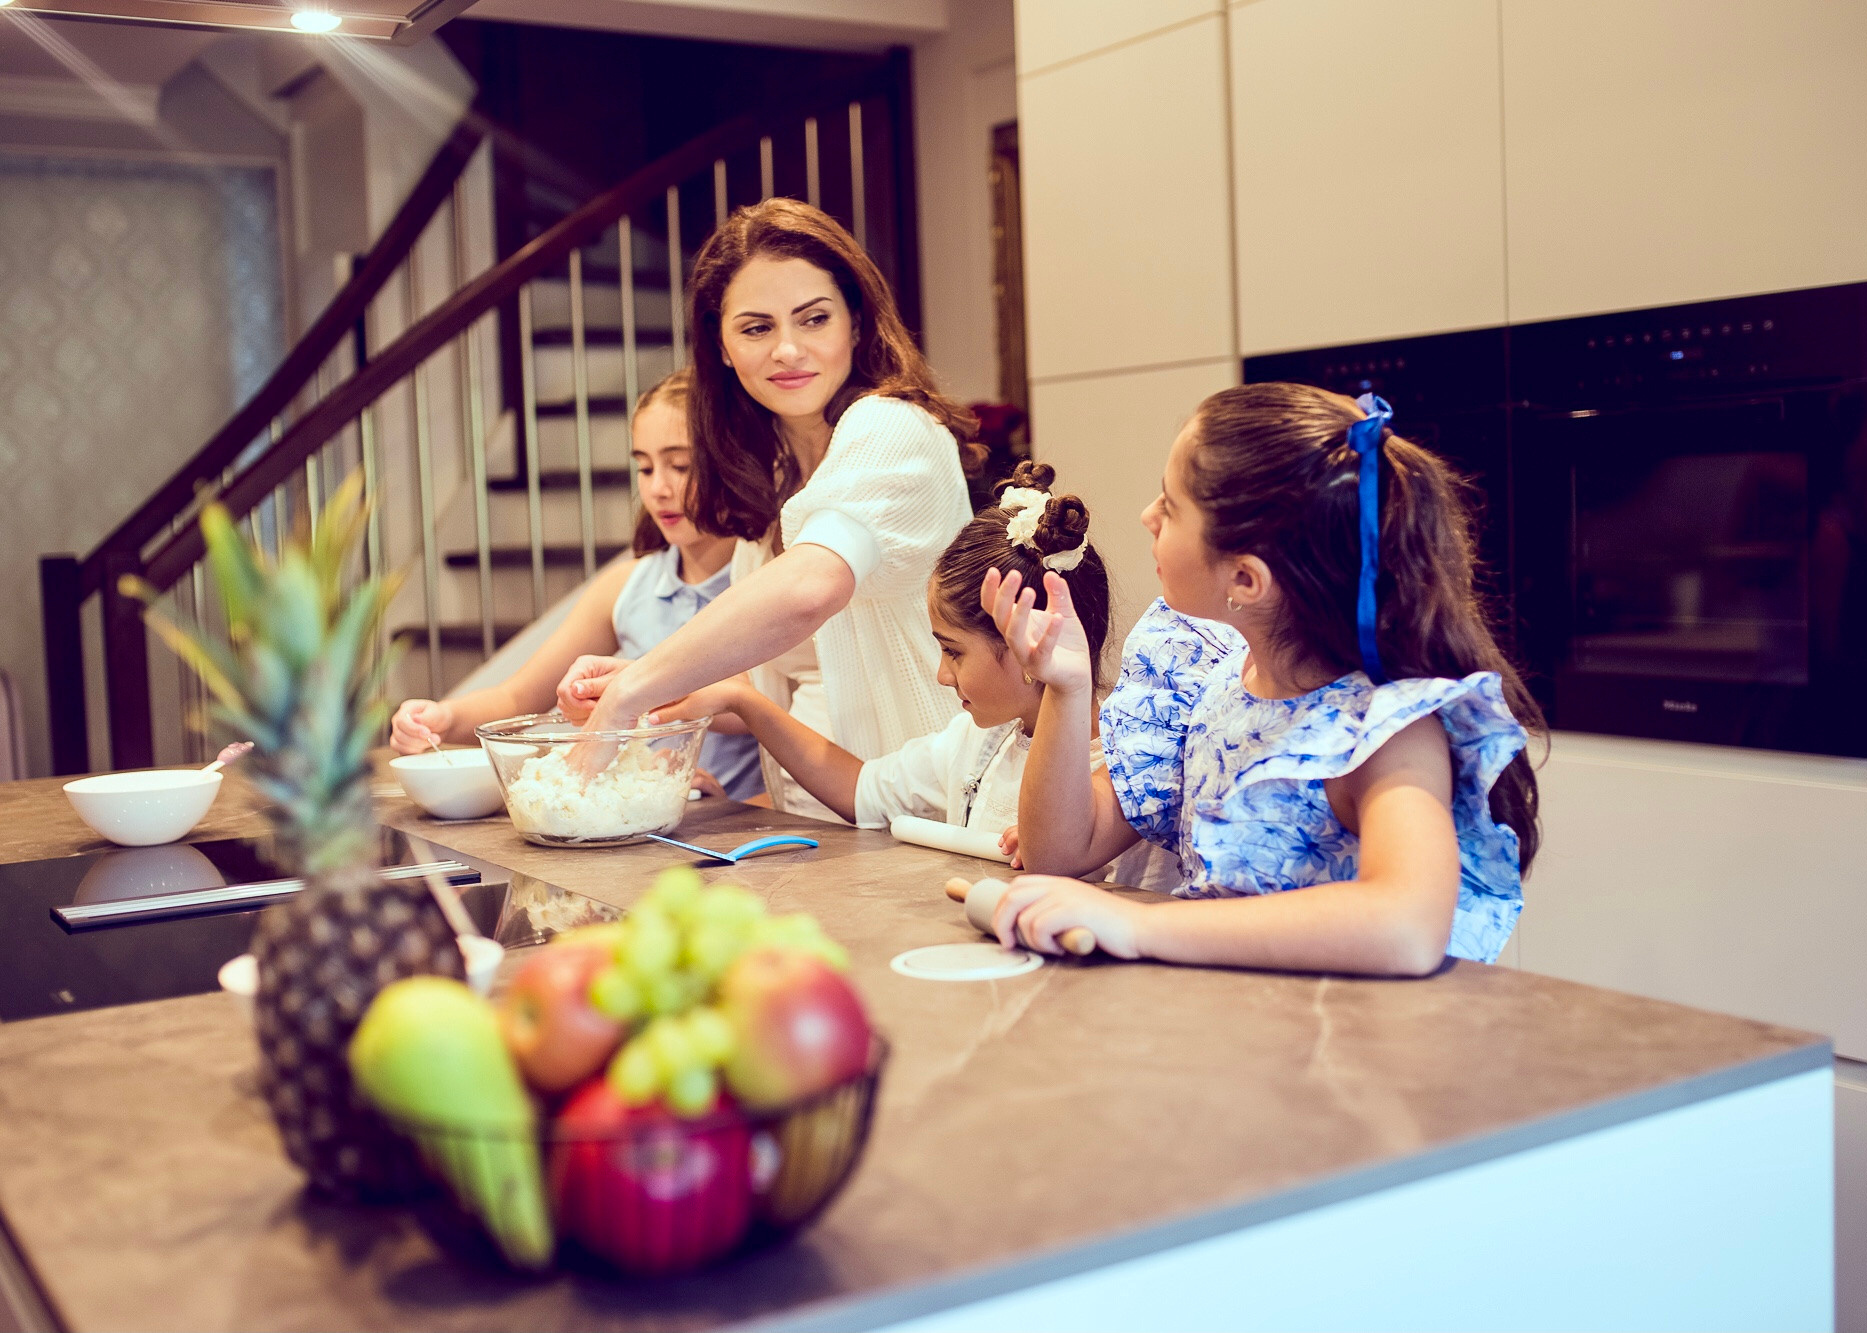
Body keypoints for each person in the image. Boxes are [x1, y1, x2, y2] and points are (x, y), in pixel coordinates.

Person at [986, 382, 1544, 976]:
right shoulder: (1207, 682)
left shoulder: (1384, 731)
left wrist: (1141, 923)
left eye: (1171, 506)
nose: (1147, 515)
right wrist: (1066, 689)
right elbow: (1061, 852)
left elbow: (1407, 926)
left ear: (1246, 581)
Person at [557, 198, 980, 817]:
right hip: (822, 828)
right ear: (722, 346)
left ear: (856, 324)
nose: (787, 349)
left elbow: (811, 588)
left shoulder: (892, 427)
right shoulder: (772, 468)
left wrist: (638, 682)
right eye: (757, 328)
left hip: (928, 818)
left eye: (813, 320)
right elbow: (780, 682)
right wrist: (640, 689)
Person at [656, 462, 1110, 846]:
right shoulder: (977, 743)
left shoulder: (1120, 765)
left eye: (953, 652)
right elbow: (861, 789)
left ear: (1030, 640)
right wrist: (745, 702)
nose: (942, 675)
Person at [386, 370, 762, 800]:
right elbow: (518, 696)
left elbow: (776, 719)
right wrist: (442, 718)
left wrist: (733, 807)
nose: (657, 488)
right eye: (644, 467)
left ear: (733, 460)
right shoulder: (623, 587)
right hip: (640, 823)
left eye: (680, 466)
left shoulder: (768, 585)